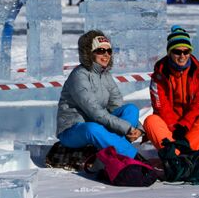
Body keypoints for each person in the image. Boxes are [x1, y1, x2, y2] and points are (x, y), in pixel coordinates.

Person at [56, 30, 144, 158]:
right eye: (100, 51)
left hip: (98, 124)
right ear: (89, 53)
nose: (106, 54)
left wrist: (138, 129)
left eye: (109, 51)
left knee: (131, 109)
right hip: (74, 130)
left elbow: (116, 106)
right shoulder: (79, 76)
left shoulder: (105, 75)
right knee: (92, 129)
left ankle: (117, 147)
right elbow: (95, 112)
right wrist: (128, 128)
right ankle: (134, 156)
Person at [143, 25, 199, 151]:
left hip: (192, 128)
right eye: (177, 52)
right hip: (170, 130)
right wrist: (175, 128)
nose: (182, 56)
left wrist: (184, 126)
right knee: (150, 121)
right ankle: (181, 153)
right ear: (170, 53)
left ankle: (178, 153)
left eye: (186, 52)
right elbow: (161, 109)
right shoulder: (158, 77)